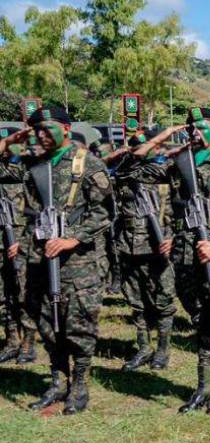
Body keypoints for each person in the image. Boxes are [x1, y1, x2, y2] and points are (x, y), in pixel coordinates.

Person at [140, 108, 210, 413]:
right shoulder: (181, 163)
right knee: (200, 325)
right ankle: (202, 387)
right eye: (189, 127)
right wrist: (162, 140)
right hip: (187, 259)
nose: (192, 131)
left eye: (200, 127)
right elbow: (134, 170)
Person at [22, 106, 115, 414]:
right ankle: (57, 382)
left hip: (79, 262)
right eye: (37, 130)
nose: (41, 135)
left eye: (47, 129)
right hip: (41, 257)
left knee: (78, 324)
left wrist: (74, 237)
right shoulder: (35, 166)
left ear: (65, 128)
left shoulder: (87, 164)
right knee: (48, 324)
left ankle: (79, 386)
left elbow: (104, 211)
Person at [113, 127, 176, 371]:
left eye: (145, 145)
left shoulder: (171, 171)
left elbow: (184, 207)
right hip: (128, 245)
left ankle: (162, 349)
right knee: (136, 301)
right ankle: (143, 347)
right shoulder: (126, 171)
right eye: (136, 146)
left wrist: (174, 238)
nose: (139, 150)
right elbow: (127, 165)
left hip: (158, 244)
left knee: (163, 299)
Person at [0, 128, 36, 364]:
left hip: (22, 241)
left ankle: (28, 343)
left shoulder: (30, 170)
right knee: (3, 295)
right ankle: (11, 339)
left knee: (24, 294)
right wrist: (6, 140)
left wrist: (24, 242)